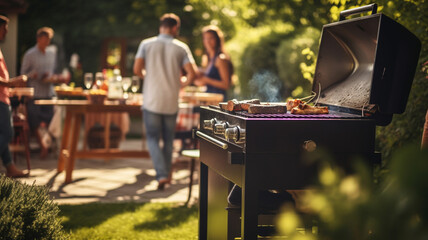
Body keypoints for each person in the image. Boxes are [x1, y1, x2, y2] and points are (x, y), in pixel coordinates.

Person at [133, 13, 197, 190]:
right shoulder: (180, 47)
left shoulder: (146, 44)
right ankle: (165, 175)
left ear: (161, 26)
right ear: (175, 28)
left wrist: (149, 77)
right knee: (169, 140)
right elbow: (192, 73)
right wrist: (181, 82)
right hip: (170, 100)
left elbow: (137, 69)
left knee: (153, 138)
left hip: (151, 99)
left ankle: (161, 174)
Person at [20, 27, 68, 157]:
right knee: (34, 121)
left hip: (48, 93)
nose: (47, 42)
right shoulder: (30, 54)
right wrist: (32, 75)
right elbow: (22, 75)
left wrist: (54, 77)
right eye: (45, 39)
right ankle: (43, 147)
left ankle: (48, 145)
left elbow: (53, 72)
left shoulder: (52, 54)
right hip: (34, 94)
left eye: (49, 40)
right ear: (39, 39)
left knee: (51, 120)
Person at [0, 15, 29, 177]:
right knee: (7, 133)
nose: (6, 32)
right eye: (4, 29)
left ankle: (10, 167)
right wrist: (13, 82)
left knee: (2, 133)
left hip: (3, 96)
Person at [194, 25, 233, 101]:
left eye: (211, 38)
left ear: (217, 40)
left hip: (219, 102)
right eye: (205, 38)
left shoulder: (221, 59)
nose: (208, 41)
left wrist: (206, 80)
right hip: (210, 100)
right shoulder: (208, 59)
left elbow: (226, 84)